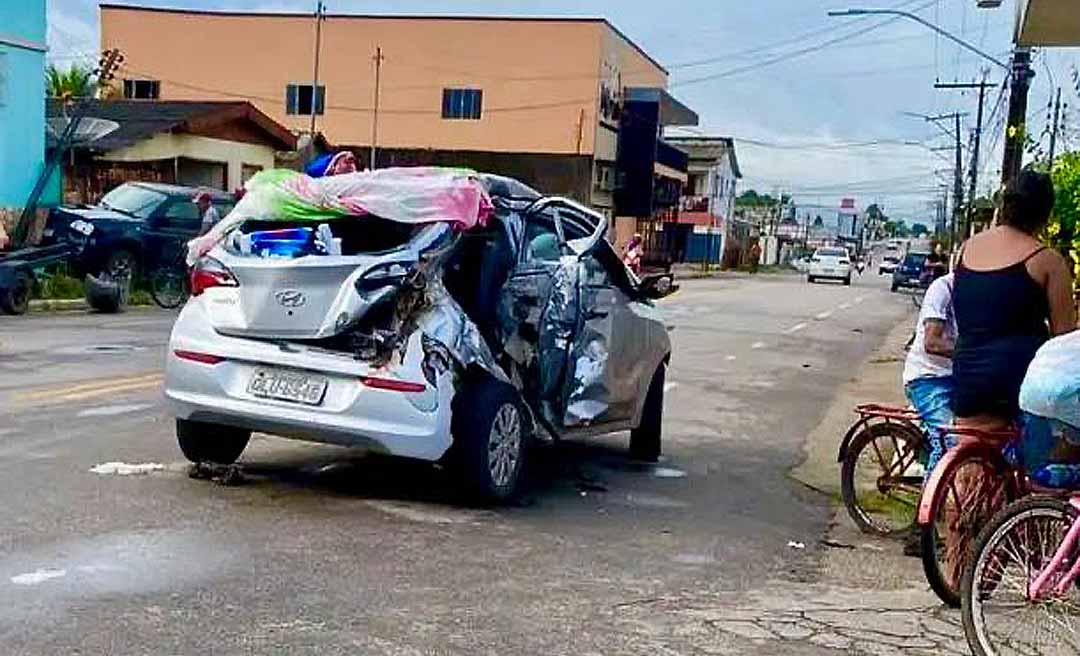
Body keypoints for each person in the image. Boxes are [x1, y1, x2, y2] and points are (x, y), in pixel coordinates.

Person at [952, 169, 1075, 432]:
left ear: (1004, 205)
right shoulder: (1047, 260)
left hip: (966, 381)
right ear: (1045, 213)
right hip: (1017, 384)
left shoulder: (967, 248)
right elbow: (1064, 341)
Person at [902, 272, 957, 555]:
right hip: (927, 378)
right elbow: (932, 342)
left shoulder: (986, 295)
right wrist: (971, 352)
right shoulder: (942, 289)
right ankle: (920, 529)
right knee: (950, 440)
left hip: (960, 378)